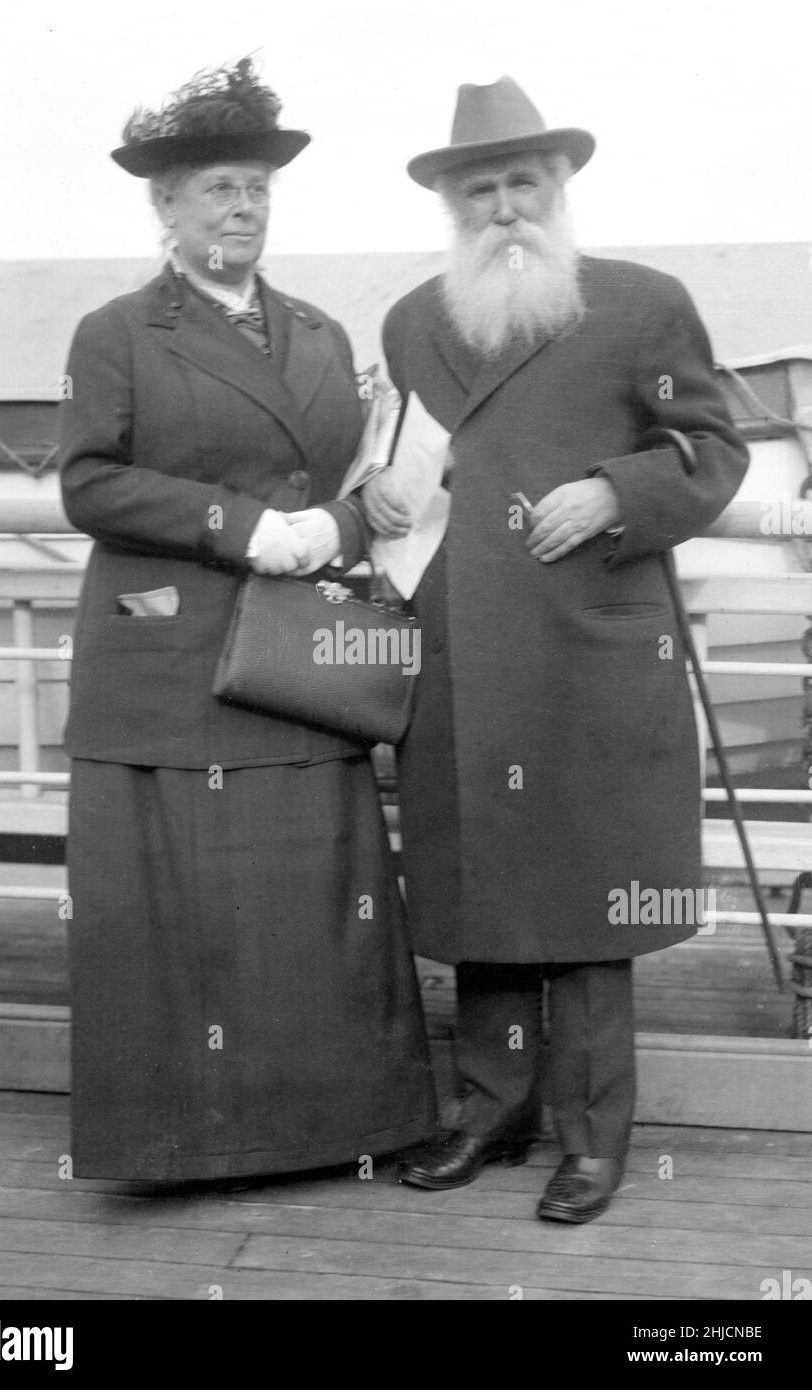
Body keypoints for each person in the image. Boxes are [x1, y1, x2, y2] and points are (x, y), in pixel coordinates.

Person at [363, 76, 748, 1222]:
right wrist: (381, 495)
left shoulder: (642, 306)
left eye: (521, 182)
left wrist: (613, 489)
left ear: (560, 185)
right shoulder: (411, 322)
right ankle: (491, 1106)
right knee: (482, 882)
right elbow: (405, 461)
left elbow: (712, 447)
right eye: (477, 188)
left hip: (588, 647)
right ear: (450, 204)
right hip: (460, 650)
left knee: (587, 894)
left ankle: (591, 1136)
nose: (502, 207)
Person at [58, 59, 436, 1183]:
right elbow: (87, 484)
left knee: (311, 899)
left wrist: (341, 528)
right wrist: (242, 525)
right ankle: (182, 1144)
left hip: (290, 658)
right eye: (218, 189)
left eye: (256, 191)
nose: (241, 209)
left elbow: (367, 485)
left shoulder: (321, 334)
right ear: (165, 209)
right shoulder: (114, 331)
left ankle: (328, 1129)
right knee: (181, 905)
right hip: (168, 659)